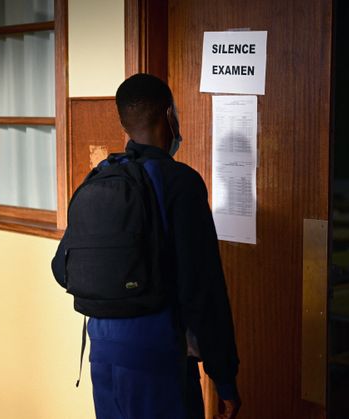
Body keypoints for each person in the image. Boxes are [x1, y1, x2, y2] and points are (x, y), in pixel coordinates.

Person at [52, 73, 240, 419]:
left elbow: (61, 269)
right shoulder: (180, 183)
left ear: (125, 122)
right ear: (168, 115)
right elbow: (203, 290)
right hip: (158, 357)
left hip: (103, 355)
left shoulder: (101, 176)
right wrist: (224, 376)